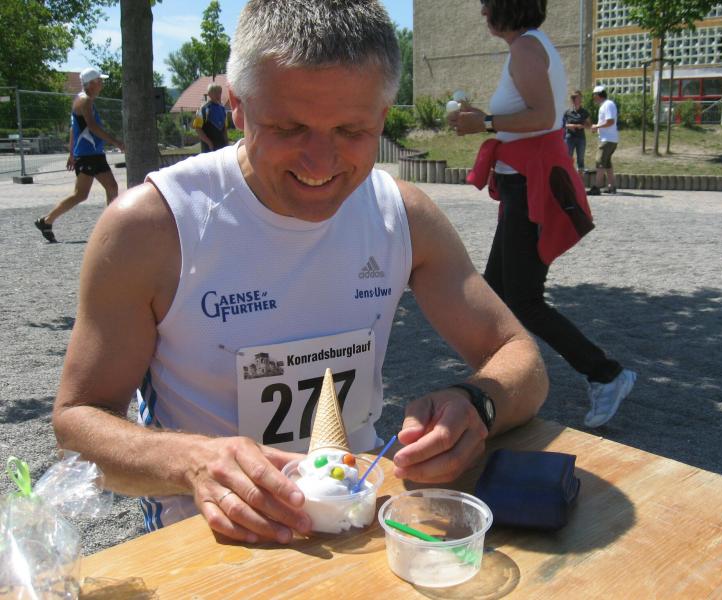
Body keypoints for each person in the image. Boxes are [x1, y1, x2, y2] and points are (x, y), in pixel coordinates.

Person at [51, 0, 548, 545]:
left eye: (352, 130)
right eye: (288, 128)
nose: (320, 163)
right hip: (211, 542)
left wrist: (477, 402)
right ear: (237, 107)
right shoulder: (153, 226)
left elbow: (520, 358)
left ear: (383, 117)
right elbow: (77, 422)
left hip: (359, 527)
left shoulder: (403, 215)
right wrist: (192, 461)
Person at [449, 0, 636, 430]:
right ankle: (498, 378)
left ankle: (606, 374)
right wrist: (487, 120)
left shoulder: (526, 48)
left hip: (531, 185)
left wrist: (485, 121)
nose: (483, 13)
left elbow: (544, 116)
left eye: (487, 5)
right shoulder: (530, 46)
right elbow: (536, 115)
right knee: (496, 292)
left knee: (523, 300)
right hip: (525, 183)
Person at [34, 67, 125, 243]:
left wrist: (71, 153)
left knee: (106, 188)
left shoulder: (82, 99)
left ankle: (109, 227)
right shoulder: (85, 101)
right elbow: (92, 127)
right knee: (85, 193)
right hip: (88, 154)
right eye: (100, 81)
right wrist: (116, 142)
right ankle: (47, 221)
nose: (102, 84)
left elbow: (73, 129)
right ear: (91, 84)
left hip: (91, 154)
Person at [591, 85, 618, 194]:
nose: (593, 98)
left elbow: (610, 121)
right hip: (610, 139)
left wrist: (597, 126)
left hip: (607, 139)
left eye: (594, 95)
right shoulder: (606, 104)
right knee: (607, 163)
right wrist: (597, 127)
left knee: (600, 161)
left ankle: (597, 187)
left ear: (598, 95)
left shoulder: (607, 105)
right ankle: (612, 186)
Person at [193, 83, 229, 153]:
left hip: (222, 147)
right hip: (209, 149)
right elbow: (197, 128)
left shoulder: (222, 109)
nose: (218, 95)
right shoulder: (204, 109)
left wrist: (227, 143)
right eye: (215, 92)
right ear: (209, 94)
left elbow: (224, 128)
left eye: (219, 92)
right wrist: (209, 143)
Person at [562, 90, 591, 172]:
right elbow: (562, 125)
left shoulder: (584, 112)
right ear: (573, 99)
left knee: (580, 159)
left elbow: (589, 125)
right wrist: (572, 126)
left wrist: (582, 126)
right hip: (569, 138)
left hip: (581, 138)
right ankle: (568, 175)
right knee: (568, 158)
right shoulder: (567, 112)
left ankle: (580, 177)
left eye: (580, 98)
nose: (580, 100)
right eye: (578, 98)